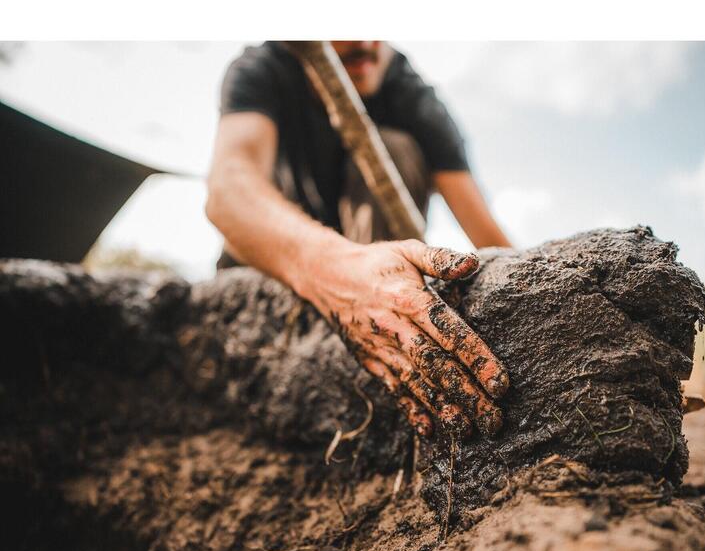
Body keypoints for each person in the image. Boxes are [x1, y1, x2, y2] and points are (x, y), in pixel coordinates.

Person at [206, 40, 512, 441]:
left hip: (371, 266)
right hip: (275, 264)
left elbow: (490, 240)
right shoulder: (264, 69)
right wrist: (335, 270)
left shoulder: (411, 96)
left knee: (398, 150)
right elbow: (227, 193)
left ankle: (385, 365)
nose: (367, 43)